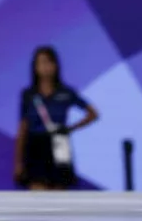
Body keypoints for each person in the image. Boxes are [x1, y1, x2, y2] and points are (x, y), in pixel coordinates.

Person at [14, 45, 100, 190]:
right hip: (36, 144)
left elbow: (93, 113)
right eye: (41, 63)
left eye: (49, 62)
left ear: (55, 65)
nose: (45, 67)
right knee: (38, 196)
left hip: (60, 142)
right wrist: (18, 162)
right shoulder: (28, 95)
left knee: (59, 194)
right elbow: (23, 128)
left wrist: (71, 128)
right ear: (35, 67)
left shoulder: (66, 92)